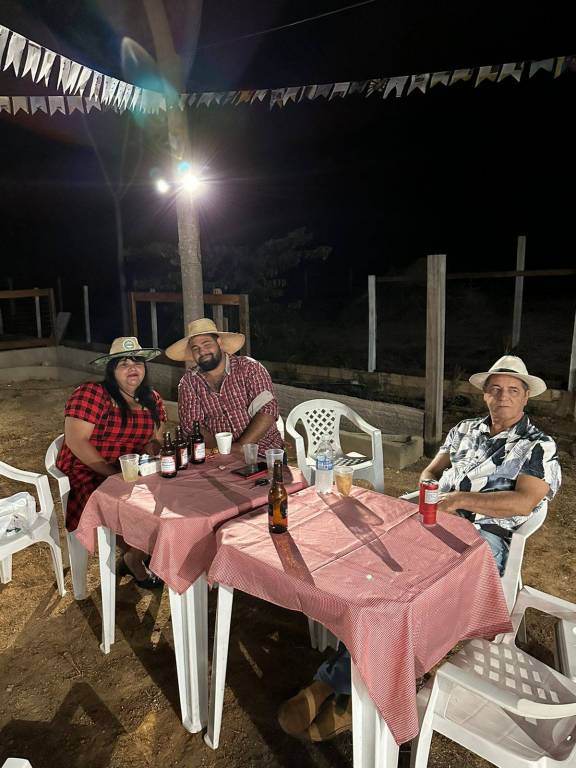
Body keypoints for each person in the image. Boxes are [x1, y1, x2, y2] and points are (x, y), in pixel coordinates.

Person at [277, 354, 561, 742]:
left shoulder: (538, 445)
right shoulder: (464, 430)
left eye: (513, 390)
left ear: (526, 397)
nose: (503, 397)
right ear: (485, 395)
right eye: (495, 389)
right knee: (373, 576)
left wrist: (459, 500)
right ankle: (352, 680)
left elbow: (525, 501)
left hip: (484, 541)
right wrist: (431, 490)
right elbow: (431, 471)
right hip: (436, 523)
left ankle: (336, 685)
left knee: (412, 598)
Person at [56, 337, 167, 589]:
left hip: (130, 469)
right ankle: (134, 557)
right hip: (88, 470)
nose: (132, 368)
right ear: (111, 370)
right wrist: (111, 474)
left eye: (137, 362)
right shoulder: (92, 394)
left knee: (171, 497)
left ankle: (142, 550)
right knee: (130, 504)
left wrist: (152, 452)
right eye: (123, 364)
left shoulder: (152, 399)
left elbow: (156, 439)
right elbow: (76, 440)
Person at [165, 317, 283, 455]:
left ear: (219, 343)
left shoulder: (249, 368)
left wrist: (240, 447)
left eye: (206, 344)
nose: (202, 352)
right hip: (217, 457)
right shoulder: (189, 382)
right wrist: (223, 452)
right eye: (195, 348)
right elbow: (192, 426)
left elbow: (267, 410)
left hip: (263, 452)